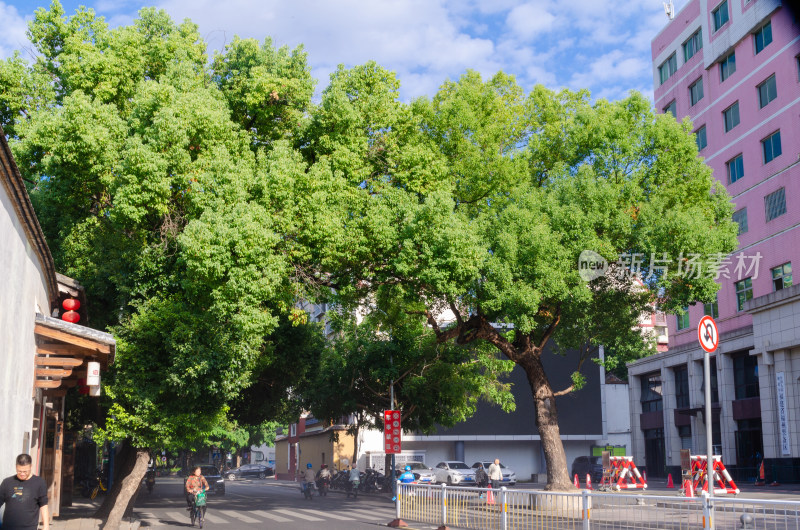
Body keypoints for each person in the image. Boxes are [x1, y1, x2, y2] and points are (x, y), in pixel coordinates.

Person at [0, 454, 49, 530]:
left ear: (30, 467)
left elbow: (43, 505)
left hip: (29, 527)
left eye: (25, 471)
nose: (22, 474)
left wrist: (46, 526)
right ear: (16, 467)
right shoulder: (7, 482)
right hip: (8, 527)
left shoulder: (39, 483)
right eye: (19, 471)